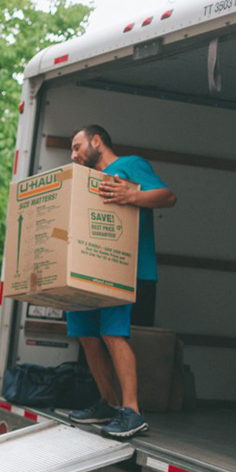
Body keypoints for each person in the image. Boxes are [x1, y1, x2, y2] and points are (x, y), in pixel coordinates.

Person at [66, 125, 176, 438]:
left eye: (77, 147)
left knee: (112, 333)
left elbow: (168, 197)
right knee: (87, 336)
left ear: (96, 141)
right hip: (87, 268)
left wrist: (133, 194)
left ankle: (132, 411)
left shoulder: (130, 165)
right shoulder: (85, 181)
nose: (73, 155)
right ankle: (109, 403)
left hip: (122, 269)